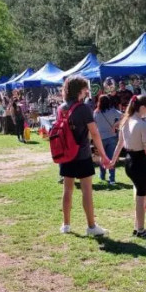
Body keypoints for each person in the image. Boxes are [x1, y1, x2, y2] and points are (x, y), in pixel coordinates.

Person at [58, 76, 111, 236]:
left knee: (67, 190)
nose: (87, 91)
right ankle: (91, 226)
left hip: (66, 154)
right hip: (82, 154)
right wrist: (103, 155)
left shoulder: (62, 108)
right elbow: (94, 133)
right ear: (79, 90)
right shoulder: (83, 108)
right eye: (84, 88)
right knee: (86, 191)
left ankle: (66, 225)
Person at [109, 95, 146, 238]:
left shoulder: (125, 121)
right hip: (139, 162)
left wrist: (113, 161)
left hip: (129, 161)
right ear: (142, 107)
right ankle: (141, 230)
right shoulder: (141, 124)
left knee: (142, 194)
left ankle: (137, 226)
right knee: (141, 195)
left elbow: (119, 144)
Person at [94, 95, 122, 184]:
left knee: (102, 157)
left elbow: (94, 125)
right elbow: (125, 116)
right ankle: (112, 179)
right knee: (111, 158)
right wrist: (115, 124)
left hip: (100, 138)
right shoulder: (113, 111)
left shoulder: (96, 112)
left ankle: (102, 176)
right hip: (112, 137)